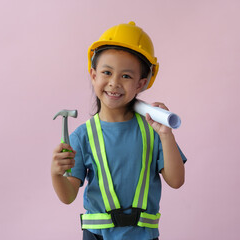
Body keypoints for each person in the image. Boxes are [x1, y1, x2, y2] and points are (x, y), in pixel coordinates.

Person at [51, 21, 187, 240]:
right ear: (93, 75)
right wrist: (56, 174)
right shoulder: (83, 137)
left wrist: (166, 134)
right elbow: (68, 196)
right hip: (97, 236)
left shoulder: (153, 129)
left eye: (126, 76)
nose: (114, 83)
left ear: (141, 84)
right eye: (107, 72)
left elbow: (176, 181)